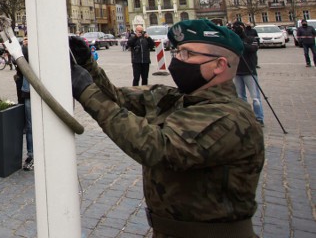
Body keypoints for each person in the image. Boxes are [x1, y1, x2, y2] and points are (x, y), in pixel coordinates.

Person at [69, 19, 264, 237]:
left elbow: (157, 147)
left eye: (187, 54)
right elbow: (118, 99)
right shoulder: (177, 98)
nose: (177, 60)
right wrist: (88, 65)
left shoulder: (229, 117)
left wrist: (87, 92)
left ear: (219, 65)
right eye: (178, 52)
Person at [232, 22, 264, 125]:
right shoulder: (233, 40)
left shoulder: (250, 39)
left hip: (249, 71)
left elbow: (253, 49)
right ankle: (245, 117)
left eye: (239, 28)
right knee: (240, 97)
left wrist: (242, 40)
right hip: (237, 72)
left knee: (255, 97)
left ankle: (259, 117)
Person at [13, 38, 33, 171]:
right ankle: (31, 155)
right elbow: (18, 60)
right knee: (30, 126)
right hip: (29, 92)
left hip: (36, 91)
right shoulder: (25, 50)